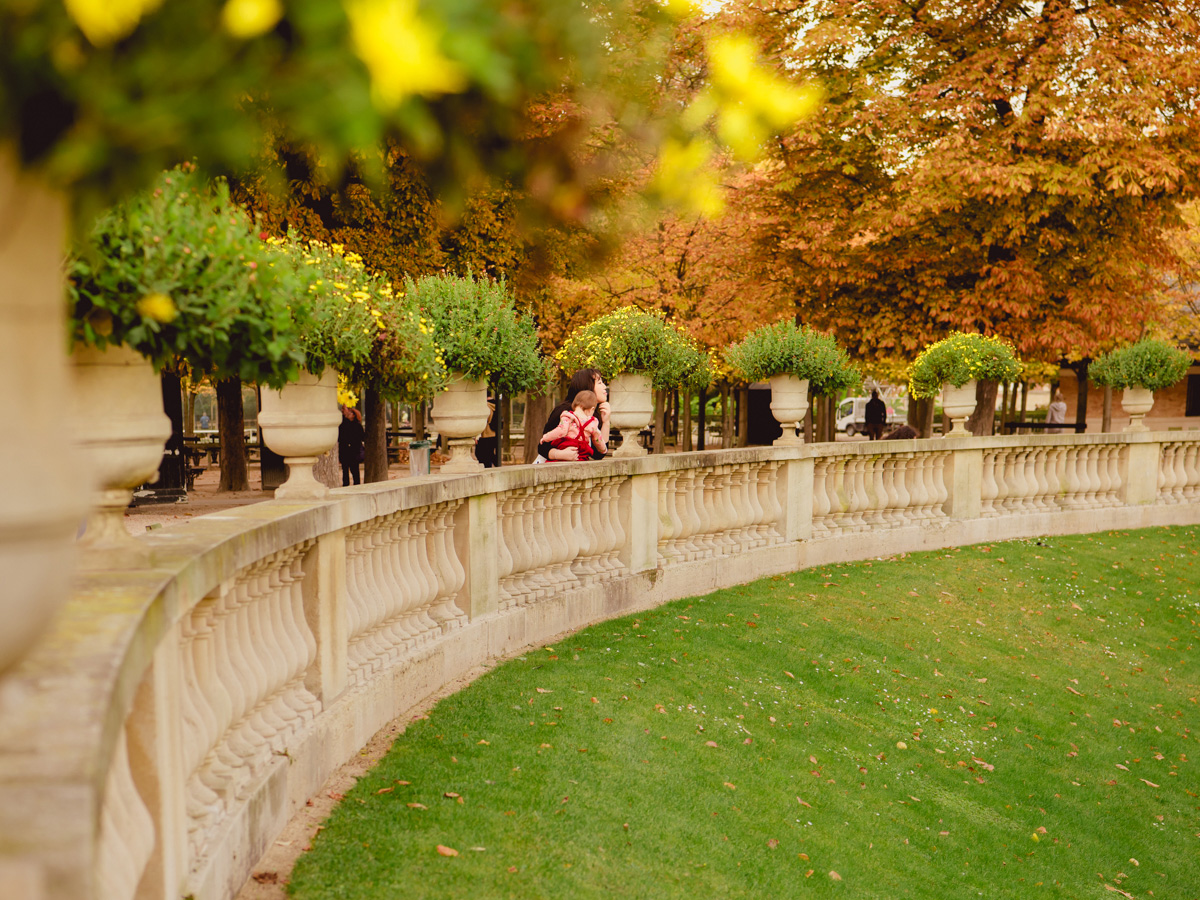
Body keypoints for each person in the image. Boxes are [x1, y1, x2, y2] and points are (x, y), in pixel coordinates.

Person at [535, 368, 611, 462]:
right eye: (599, 383)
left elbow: (598, 454)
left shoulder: (592, 417)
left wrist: (606, 422)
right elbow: (542, 447)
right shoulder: (564, 412)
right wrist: (559, 454)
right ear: (588, 387)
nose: (604, 387)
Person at [542, 390, 607, 461]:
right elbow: (598, 438)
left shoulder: (568, 417)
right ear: (592, 409)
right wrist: (603, 449)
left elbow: (561, 431)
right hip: (581, 452)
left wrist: (546, 437)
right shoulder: (592, 422)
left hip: (567, 447)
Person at [338, 405, 365, 485]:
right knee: (345, 470)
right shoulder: (343, 424)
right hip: (345, 450)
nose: (348, 414)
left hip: (354, 451)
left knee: (355, 470)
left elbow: (361, 437)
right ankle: (345, 485)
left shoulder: (357, 425)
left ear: (354, 415)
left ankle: (357, 485)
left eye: (350, 413)